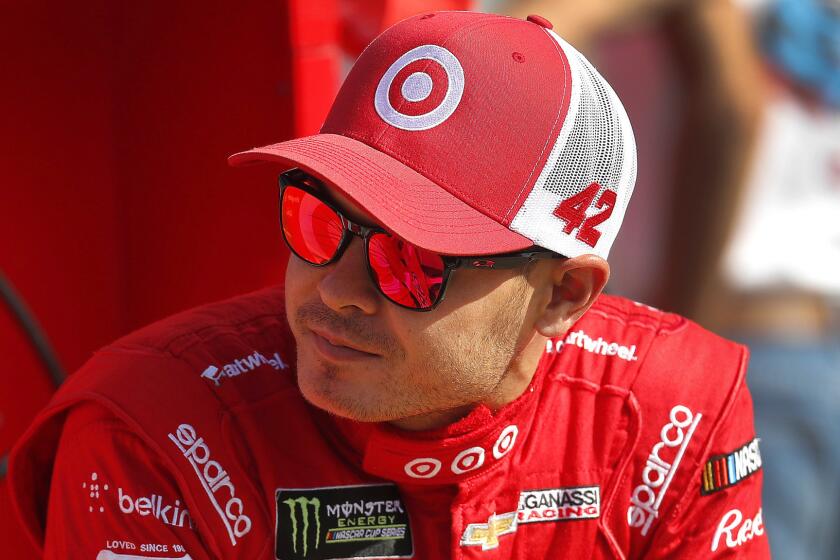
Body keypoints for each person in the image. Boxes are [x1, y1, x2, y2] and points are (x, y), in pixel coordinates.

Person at [8, 10, 769, 559]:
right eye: (318, 221)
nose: (336, 289)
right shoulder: (156, 434)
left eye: (412, 259)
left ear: (564, 293)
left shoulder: (673, 411)